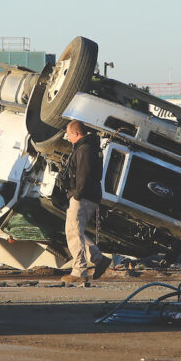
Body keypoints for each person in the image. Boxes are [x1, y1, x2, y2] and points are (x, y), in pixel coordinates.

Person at [61, 120, 111, 283]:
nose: (68, 138)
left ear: (76, 133)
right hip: (89, 195)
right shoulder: (89, 147)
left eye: (69, 135)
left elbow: (83, 175)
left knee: (73, 232)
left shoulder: (84, 150)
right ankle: (99, 259)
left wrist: (76, 195)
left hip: (83, 196)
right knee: (77, 231)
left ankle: (79, 272)